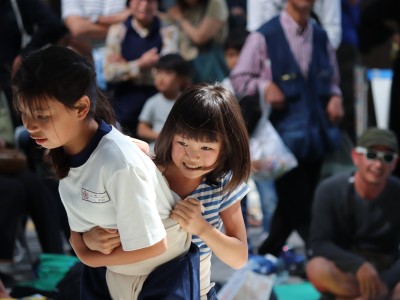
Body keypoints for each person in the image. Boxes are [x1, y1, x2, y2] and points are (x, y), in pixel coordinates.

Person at [12, 46, 197, 300]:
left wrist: (87, 254)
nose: (30, 125)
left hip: (154, 282)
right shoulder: (62, 149)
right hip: (112, 275)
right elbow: (78, 231)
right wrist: (83, 241)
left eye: (42, 115)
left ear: (81, 108)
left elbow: (155, 245)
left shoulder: (119, 164)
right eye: (24, 113)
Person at [83, 83, 251, 299]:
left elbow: (239, 258)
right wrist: (91, 239)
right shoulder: (142, 171)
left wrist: (202, 228)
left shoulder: (222, 184)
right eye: (183, 143)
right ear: (170, 135)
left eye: (206, 148)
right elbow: (92, 220)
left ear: (227, 148)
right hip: (133, 290)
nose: (192, 156)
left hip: (195, 293)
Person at [230, 0, 344, 257]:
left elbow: (333, 80)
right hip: (282, 140)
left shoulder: (322, 36)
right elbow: (239, 77)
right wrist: (264, 87)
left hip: (317, 135)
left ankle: (269, 250)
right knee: (299, 200)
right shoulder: (264, 35)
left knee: (292, 203)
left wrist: (336, 96)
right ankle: (321, 251)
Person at [306, 127, 400, 300]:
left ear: (394, 163)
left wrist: (385, 282)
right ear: (356, 157)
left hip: (387, 272)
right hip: (347, 271)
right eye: (371, 155)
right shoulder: (329, 190)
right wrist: (359, 266)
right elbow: (319, 243)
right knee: (316, 267)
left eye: (387, 158)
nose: (378, 165)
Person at [103, 0, 179, 137]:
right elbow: (109, 73)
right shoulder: (118, 31)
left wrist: (125, 65)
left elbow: (170, 69)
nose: (144, 6)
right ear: (129, 3)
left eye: (150, 1)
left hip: (158, 103)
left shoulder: (168, 30)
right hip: (124, 104)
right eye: (138, 0)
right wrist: (140, 64)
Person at [61, 0, 130, 90]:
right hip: (88, 69)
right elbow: (77, 28)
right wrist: (120, 24)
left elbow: (135, 13)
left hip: (123, 67)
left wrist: (97, 19)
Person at [165, 0, 230, 83]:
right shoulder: (179, 4)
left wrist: (180, 18)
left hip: (206, 65)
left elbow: (200, 38)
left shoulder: (216, 3)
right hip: (183, 65)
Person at [137, 53, 190, 152]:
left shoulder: (187, 102)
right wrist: (162, 136)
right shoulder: (152, 102)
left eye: (168, 73)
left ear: (181, 78)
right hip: (157, 150)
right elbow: (141, 129)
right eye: (158, 72)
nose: (161, 78)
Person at [246, 0, 342, 50]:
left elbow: (333, 31)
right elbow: (255, 31)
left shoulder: (318, 34)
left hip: (315, 60)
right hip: (270, 59)